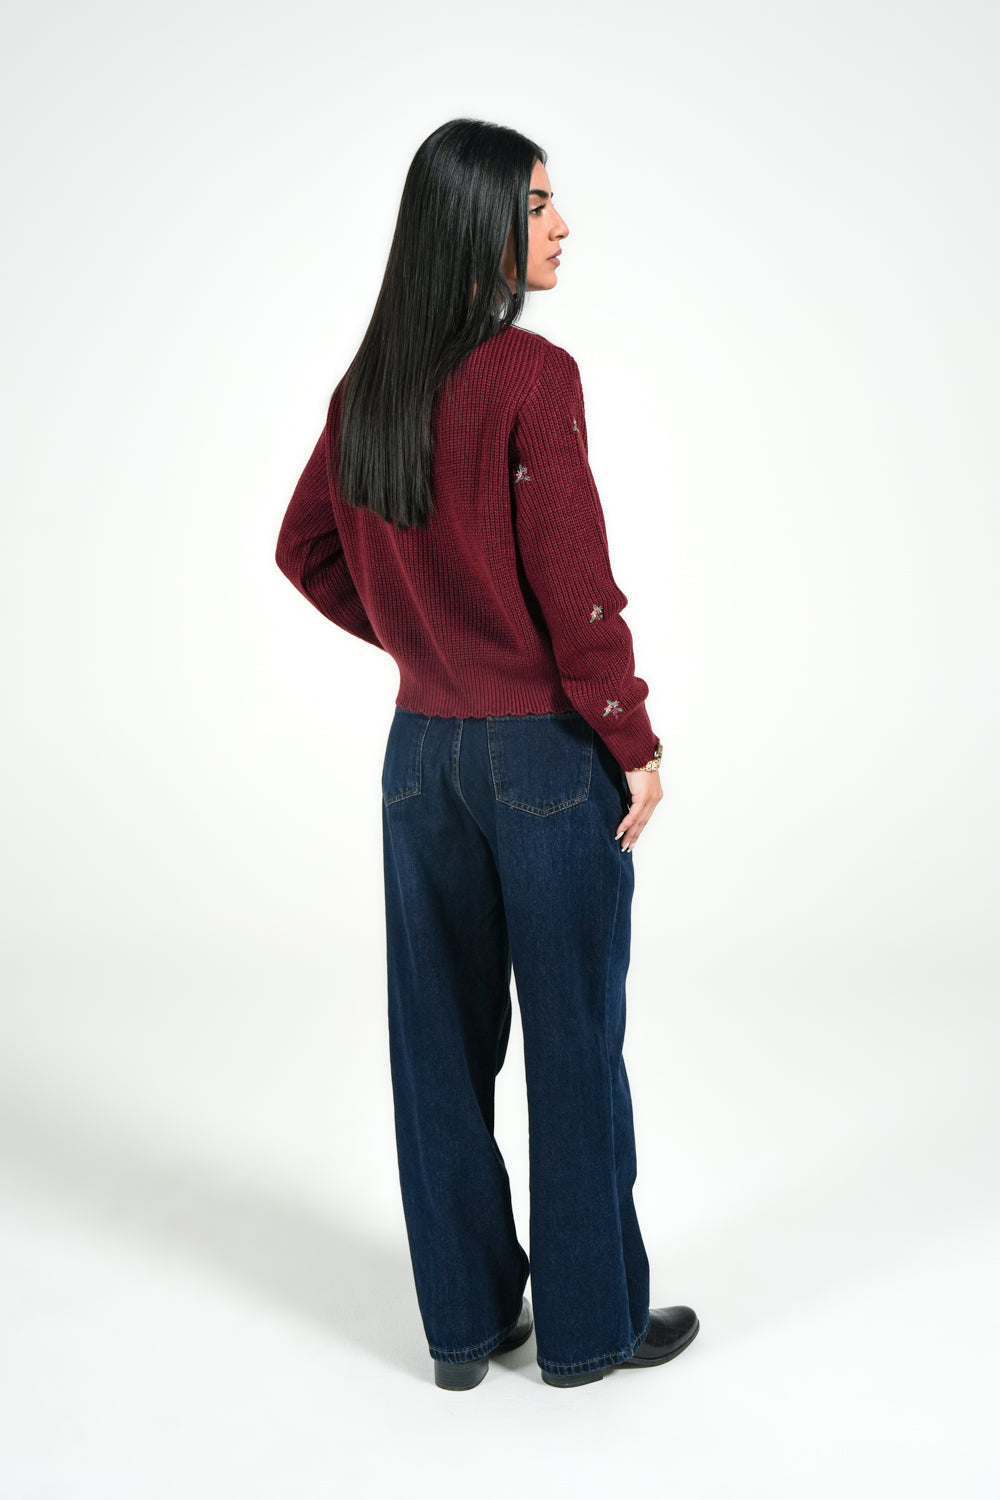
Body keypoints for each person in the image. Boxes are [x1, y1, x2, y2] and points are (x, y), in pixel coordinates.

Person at [275, 118, 699, 1390]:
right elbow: (575, 586)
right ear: (477, 225)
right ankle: (588, 1330)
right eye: (537, 205)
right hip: (541, 758)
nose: (561, 226)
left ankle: (463, 1330)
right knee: (572, 1042)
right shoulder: (530, 375)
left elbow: (305, 549)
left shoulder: (368, 389)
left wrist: (422, 634)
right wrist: (630, 737)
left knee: (438, 1052)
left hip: (419, 757)